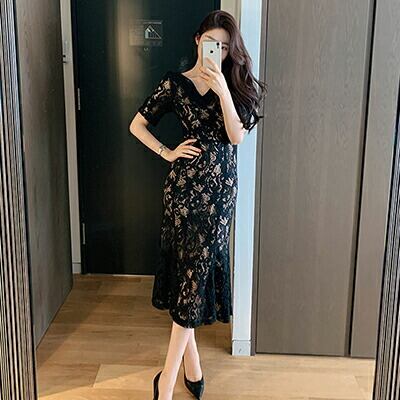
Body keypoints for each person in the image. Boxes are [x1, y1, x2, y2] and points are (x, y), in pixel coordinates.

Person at [129, 9, 267, 400]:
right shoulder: (174, 84)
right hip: (182, 191)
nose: (218, 51)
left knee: (196, 275)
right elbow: (137, 125)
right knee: (186, 277)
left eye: (224, 46)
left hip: (220, 195)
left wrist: (222, 89)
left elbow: (236, 137)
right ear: (197, 41)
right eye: (211, 43)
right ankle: (188, 370)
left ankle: (167, 382)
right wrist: (167, 152)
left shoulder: (236, 85)